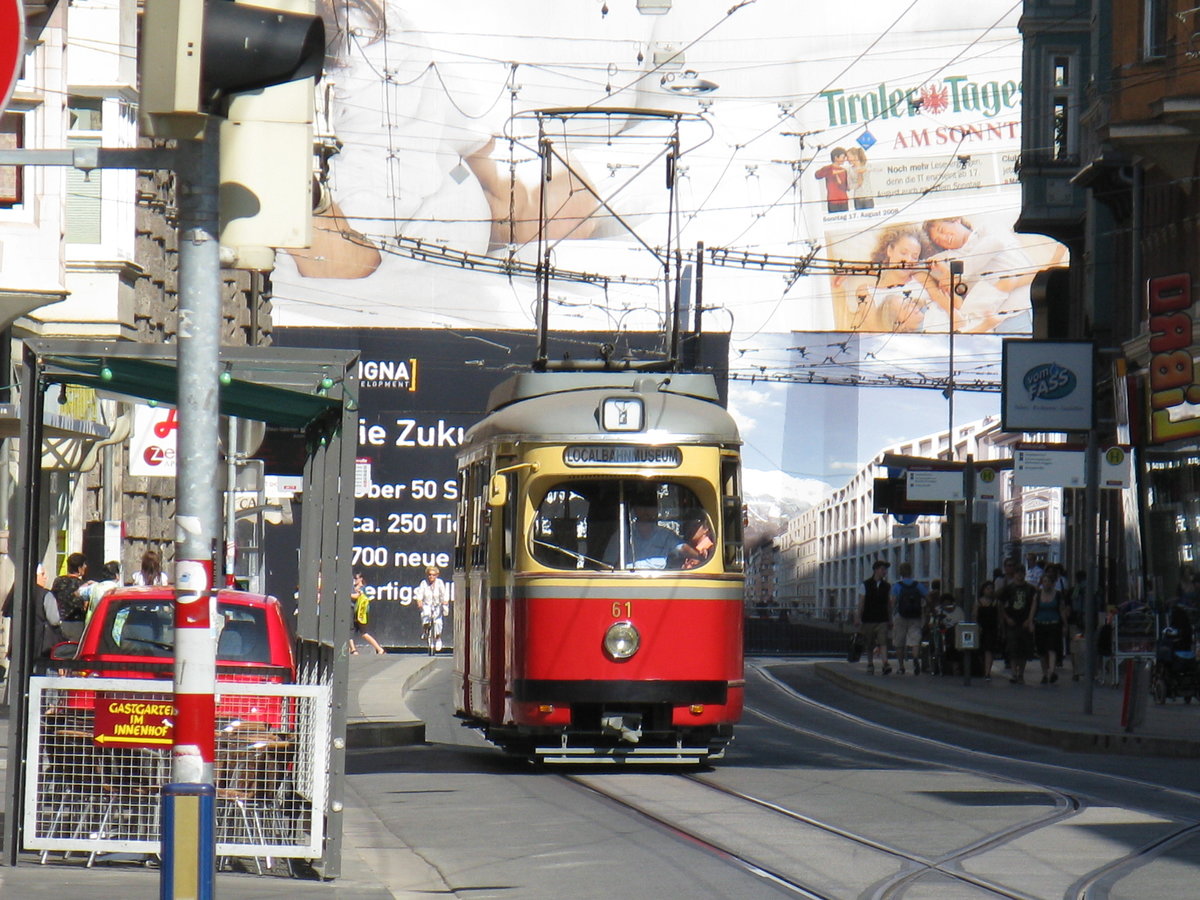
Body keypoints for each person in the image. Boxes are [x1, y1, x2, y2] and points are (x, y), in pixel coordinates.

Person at [922, 215, 1047, 333]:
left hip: (1027, 305)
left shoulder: (988, 228)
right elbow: (918, 267)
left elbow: (995, 243)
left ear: (956, 220)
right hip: (996, 321)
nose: (944, 238)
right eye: (938, 241)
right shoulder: (949, 258)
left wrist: (959, 274)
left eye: (942, 230)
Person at [850, 227, 954, 333]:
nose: (908, 260)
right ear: (890, 250)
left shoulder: (921, 278)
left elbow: (952, 306)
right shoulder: (866, 291)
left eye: (914, 257)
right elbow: (876, 332)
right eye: (903, 253)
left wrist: (946, 274)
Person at [604, 502, 688, 570]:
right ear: (635, 510)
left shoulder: (666, 535)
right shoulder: (622, 534)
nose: (645, 511)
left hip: (659, 581)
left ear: (656, 511)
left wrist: (699, 557)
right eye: (641, 507)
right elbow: (608, 564)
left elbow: (683, 549)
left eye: (649, 507)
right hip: (628, 580)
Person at [1000, 563, 1036, 684]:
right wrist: (1006, 618)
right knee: (1013, 648)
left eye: (1022, 574)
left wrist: (1029, 620)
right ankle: (1014, 673)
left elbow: (1033, 605)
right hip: (1012, 621)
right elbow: (1001, 604)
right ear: (1014, 575)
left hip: (1024, 621)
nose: (1020, 576)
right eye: (1017, 574)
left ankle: (1020, 673)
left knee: (1024, 649)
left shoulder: (1030, 589)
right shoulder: (1009, 589)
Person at [890, 561, 927, 675]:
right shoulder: (918, 585)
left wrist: (889, 616)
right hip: (915, 616)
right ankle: (915, 658)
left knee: (899, 642)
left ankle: (901, 667)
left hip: (900, 616)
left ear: (900, 573)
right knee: (915, 640)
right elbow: (928, 598)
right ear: (911, 572)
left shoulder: (897, 586)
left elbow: (893, 602)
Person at [857, 560, 892, 675]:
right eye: (882, 569)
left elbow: (888, 603)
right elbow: (861, 602)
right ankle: (870, 663)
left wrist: (890, 618)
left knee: (883, 642)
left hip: (882, 618)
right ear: (876, 570)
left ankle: (885, 663)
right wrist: (858, 617)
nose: (884, 572)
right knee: (869, 642)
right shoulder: (865, 584)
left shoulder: (887, 586)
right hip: (869, 618)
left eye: (885, 569)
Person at [1032, 571, 1065, 684]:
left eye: (1048, 582)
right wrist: (1031, 622)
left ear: (1053, 583)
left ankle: (1051, 671)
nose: (1046, 584)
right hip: (1040, 624)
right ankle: (1045, 673)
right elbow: (1033, 610)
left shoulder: (1058, 595)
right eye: (1044, 581)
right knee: (1042, 651)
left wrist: (1064, 624)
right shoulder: (1037, 595)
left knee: (1052, 649)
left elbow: (1061, 610)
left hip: (1054, 624)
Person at [50, 553, 90, 641]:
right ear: (79, 568)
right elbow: (85, 606)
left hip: (59, 623)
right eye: (84, 564)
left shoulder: (58, 581)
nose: (86, 566)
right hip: (77, 625)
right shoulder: (82, 585)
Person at [412, 565, 450, 653]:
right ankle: (426, 631)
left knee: (438, 622)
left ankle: (438, 638)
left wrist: (445, 601)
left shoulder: (440, 583)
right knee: (426, 615)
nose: (431, 577)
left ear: (437, 575)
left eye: (433, 575)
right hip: (427, 604)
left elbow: (444, 594)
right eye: (429, 575)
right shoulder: (423, 583)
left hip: (437, 604)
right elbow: (420, 594)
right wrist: (419, 601)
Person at [349, 572, 385, 656]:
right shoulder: (353, 588)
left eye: (356, 578)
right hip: (354, 613)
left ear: (361, 579)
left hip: (361, 615)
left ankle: (379, 649)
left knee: (364, 633)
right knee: (350, 632)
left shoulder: (363, 588)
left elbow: (357, 596)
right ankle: (353, 649)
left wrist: (346, 594)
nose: (355, 580)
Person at [975, 580, 1002, 681]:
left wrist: (1000, 628)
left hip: (992, 628)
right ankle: (983, 669)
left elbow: (999, 616)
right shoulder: (978, 602)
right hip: (981, 628)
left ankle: (987, 672)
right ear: (983, 590)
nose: (990, 591)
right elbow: (975, 615)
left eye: (992, 588)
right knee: (981, 650)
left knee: (989, 650)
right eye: (988, 588)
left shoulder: (996, 603)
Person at [814, 147, 850, 214]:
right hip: (833, 201)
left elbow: (846, 187)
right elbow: (817, 175)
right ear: (836, 157)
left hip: (844, 200)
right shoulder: (827, 168)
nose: (844, 160)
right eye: (843, 157)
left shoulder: (844, 171)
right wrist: (831, 172)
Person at [845, 146, 874, 210]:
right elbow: (849, 186)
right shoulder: (850, 170)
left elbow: (876, 169)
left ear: (855, 156)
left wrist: (863, 170)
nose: (847, 159)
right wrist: (858, 184)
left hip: (868, 196)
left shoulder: (867, 165)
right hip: (857, 198)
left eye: (848, 157)